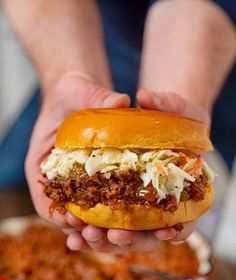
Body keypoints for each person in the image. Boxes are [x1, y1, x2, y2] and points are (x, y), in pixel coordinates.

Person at [1, 0, 235, 253]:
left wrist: (179, 110)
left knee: (192, 245)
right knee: (11, 188)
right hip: (80, 35)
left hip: (205, 43)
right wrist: (70, 78)